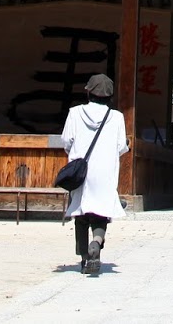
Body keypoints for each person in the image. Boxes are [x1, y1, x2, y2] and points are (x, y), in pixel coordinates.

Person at [60, 73, 129, 276]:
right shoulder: (116, 117)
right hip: (105, 171)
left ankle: (84, 259)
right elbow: (121, 146)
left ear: (89, 92)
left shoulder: (75, 113)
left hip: (81, 170)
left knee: (81, 215)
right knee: (101, 213)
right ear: (109, 96)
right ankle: (96, 243)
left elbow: (66, 141)